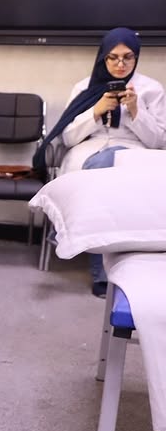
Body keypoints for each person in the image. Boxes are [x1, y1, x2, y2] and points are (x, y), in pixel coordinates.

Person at [34, 27, 166, 297]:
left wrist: (136, 111)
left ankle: (77, 235)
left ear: (136, 57)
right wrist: (95, 111)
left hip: (133, 151)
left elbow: (157, 142)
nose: (120, 64)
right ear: (103, 57)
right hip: (88, 151)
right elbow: (68, 137)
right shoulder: (84, 88)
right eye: (113, 57)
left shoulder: (151, 89)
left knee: (107, 173)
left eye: (128, 57)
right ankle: (102, 273)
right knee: (101, 170)